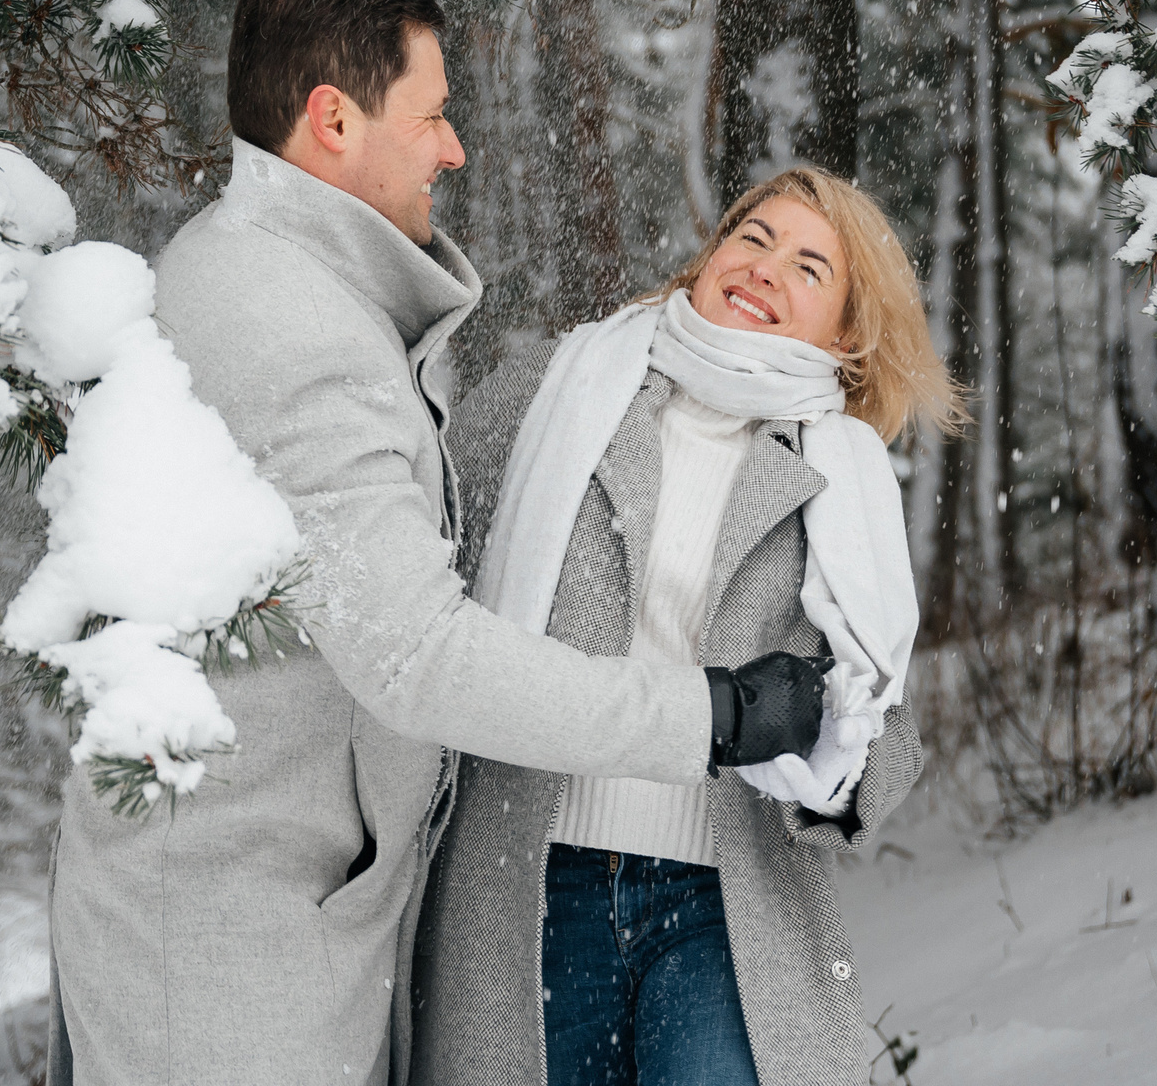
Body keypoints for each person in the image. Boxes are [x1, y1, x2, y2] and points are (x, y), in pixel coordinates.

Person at [46, 0, 829, 1086]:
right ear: (331, 121)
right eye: (432, 114)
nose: (454, 148)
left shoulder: (287, 284)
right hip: (227, 938)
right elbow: (415, 652)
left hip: (271, 901)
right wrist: (704, 717)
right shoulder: (293, 326)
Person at [412, 167, 961, 1086]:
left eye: (809, 265)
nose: (765, 267)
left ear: (848, 334)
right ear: (710, 257)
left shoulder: (844, 486)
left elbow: (885, 738)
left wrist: (827, 753)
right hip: (531, 882)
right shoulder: (557, 392)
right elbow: (426, 595)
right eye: (752, 237)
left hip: (723, 907)